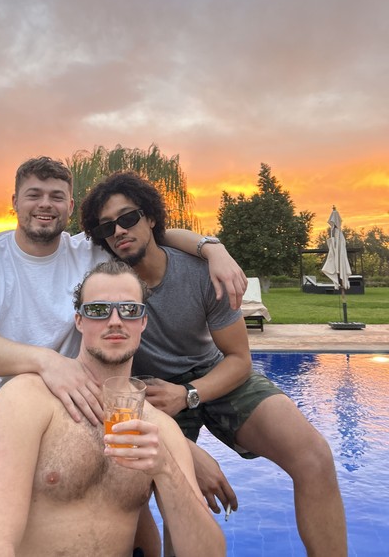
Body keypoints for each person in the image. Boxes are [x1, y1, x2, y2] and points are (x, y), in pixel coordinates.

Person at [0, 156, 246, 557]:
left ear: (71, 207)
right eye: (34, 195)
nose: (45, 204)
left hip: (81, 389)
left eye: (57, 196)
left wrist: (213, 248)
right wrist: (47, 362)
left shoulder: (87, 251)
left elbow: (147, 233)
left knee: (122, 489)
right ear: (14, 201)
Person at [80, 171, 348, 557]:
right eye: (107, 225)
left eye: (129, 217)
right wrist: (187, 453)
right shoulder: (107, 284)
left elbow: (240, 359)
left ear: (151, 217)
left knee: (315, 456)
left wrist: (189, 393)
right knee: (179, 494)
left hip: (213, 373)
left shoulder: (199, 271)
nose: (119, 230)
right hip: (150, 390)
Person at [0, 260, 226, 557]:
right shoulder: (27, 399)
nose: (115, 320)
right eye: (98, 310)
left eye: (130, 310)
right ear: (79, 321)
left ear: (143, 321)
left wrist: (167, 470)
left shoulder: (159, 428)